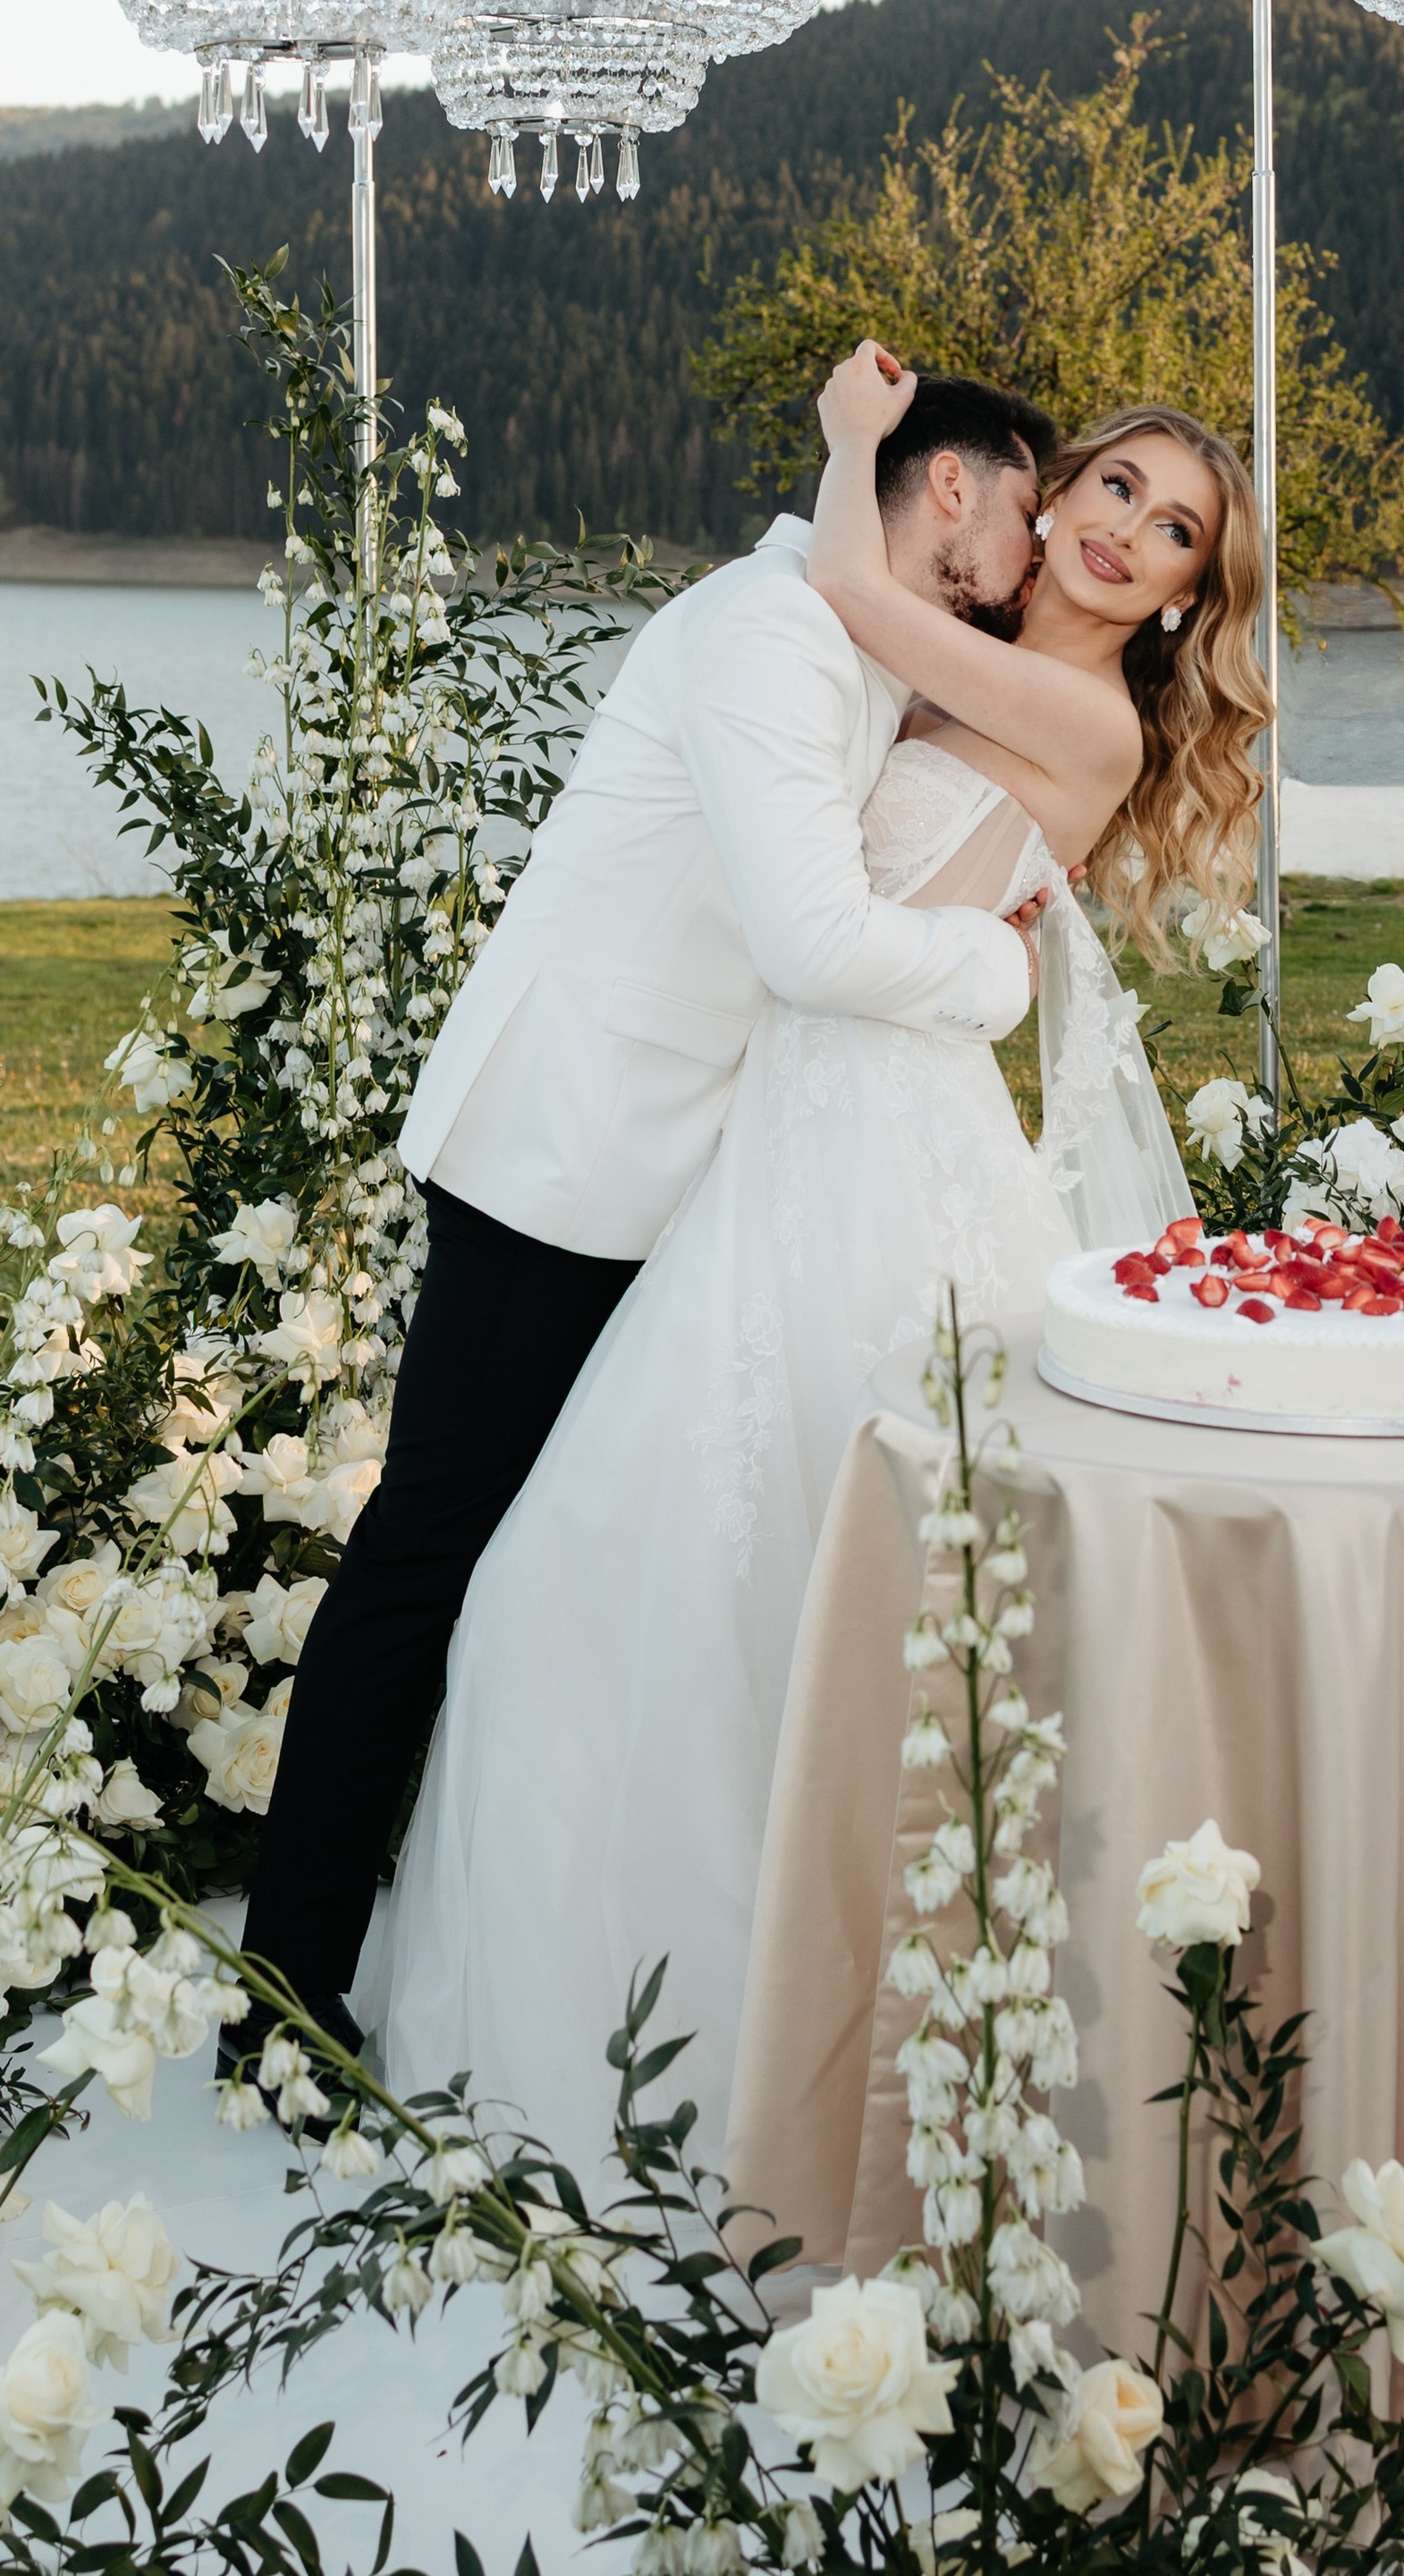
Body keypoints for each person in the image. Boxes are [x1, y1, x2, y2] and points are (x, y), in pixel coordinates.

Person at [363, 347, 1273, 2165]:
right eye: (1107, 491)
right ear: (1043, 501)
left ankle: (826, 2058)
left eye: (1172, 533)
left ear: (1187, 600)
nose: (1121, 534)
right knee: (607, 1574)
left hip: (890, 1145)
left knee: (826, 1578)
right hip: (763, 1133)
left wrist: (861, 438)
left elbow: (847, 586)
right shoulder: (940, 664)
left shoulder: (1074, 718)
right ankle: (623, 2024)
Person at [237, 372, 1058, 2057]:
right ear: (958, 491)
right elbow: (812, 946)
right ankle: (285, 1995)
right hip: (572, 1152)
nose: (1047, 543)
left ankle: (512, 1940)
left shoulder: (847, 630)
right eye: (1034, 502)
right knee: (435, 1555)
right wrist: (1000, 965)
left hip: (689, 1171)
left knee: (564, 1571)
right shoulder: (771, 638)